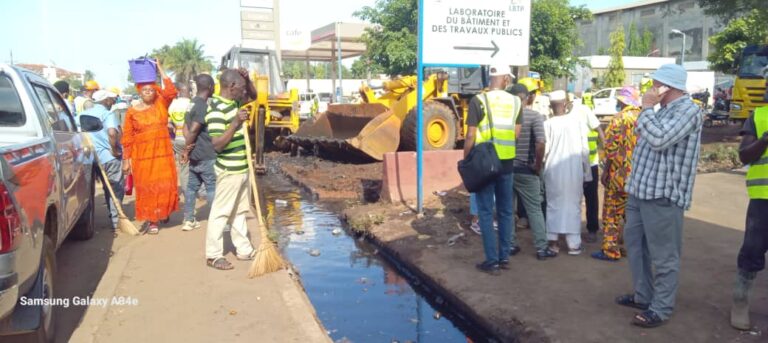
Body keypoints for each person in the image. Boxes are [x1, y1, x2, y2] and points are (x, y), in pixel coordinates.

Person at [616, 64, 703, 328]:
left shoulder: (689, 111)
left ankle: (661, 307)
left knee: (665, 256)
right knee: (636, 248)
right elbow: (644, 136)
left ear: (668, 87)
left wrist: (645, 110)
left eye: (655, 84)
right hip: (640, 192)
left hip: (662, 195)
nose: (651, 88)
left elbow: (660, 140)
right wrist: (649, 112)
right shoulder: (662, 111)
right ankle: (644, 296)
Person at [464, 64, 522, 275]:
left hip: (485, 165)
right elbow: (516, 134)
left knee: (486, 213)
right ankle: (504, 257)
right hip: (507, 164)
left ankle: (492, 261)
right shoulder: (516, 102)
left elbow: (470, 135)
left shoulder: (478, 100)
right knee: (506, 211)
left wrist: (466, 162)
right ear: (506, 78)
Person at [204, 70, 258, 270]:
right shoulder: (217, 110)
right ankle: (213, 254)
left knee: (239, 211)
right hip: (229, 170)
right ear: (231, 87)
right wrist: (235, 123)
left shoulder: (234, 103)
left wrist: (249, 80)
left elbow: (254, 96)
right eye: (241, 88)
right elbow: (217, 145)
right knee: (221, 213)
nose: (244, 92)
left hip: (242, 169)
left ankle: (243, 249)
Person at [121, 61, 179, 235]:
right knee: (147, 187)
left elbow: (171, 91)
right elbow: (127, 137)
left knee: (164, 185)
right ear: (139, 92)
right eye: (145, 90)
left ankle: (163, 211)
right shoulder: (132, 112)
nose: (148, 92)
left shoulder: (161, 104)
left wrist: (160, 68)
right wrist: (126, 160)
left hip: (163, 154)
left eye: (152, 89)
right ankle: (152, 220)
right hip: (142, 158)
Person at [508, 84, 557, 260]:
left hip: (505, 170)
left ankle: (510, 245)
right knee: (534, 210)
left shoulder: (505, 118)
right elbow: (540, 143)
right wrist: (537, 166)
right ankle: (542, 248)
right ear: (527, 97)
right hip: (526, 170)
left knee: (507, 210)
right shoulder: (534, 116)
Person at [591, 86, 641, 262]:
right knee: (633, 215)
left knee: (612, 213)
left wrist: (605, 171)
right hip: (639, 177)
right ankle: (632, 248)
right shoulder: (645, 117)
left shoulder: (619, 119)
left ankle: (611, 250)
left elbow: (611, 148)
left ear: (622, 101)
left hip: (619, 175)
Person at [730, 102, 768, 330]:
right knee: (752, 251)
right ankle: (740, 300)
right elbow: (744, 156)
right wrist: (764, 140)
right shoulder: (759, 115)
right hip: (763, 197)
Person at [543, 90, 591, 255]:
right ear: (565, 104)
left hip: (553, 171)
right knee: (573, 205)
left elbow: (545, 150)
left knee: (553, 205)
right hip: (574, 171)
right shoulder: (577, 122)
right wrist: (587, 173)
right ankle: (573, 245)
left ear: (551, 106)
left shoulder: (547, 124)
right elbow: (585, 150)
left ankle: (553, 243)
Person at [81, 90, 123, 233]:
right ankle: (116, 219)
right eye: (111, 99)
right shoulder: (107, 114)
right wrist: (115, 149)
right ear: (105, 100)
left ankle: (87, 220)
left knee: (87, 190)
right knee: (114, 187)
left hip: (88, 158)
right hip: (108, 156)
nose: (112, 102)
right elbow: (112, 133)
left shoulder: (81, 115)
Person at [180, 74, 217, 231]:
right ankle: (218, 221)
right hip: (205, 154)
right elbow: (194, 130)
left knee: (191, 188)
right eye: (214, 85)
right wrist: (186, 150)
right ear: (209, 87)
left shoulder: (191, 103)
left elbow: (185, 127)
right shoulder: (202, 106)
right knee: (211, 187)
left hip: (195, 154)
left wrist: (188, 149)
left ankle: (188, 220)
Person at [575, 96, 604, 243]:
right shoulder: (557, 114)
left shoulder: (582, 110)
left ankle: (592, 229)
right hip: (572, 164)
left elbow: (599, 129)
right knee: (572, 197)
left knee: (591, 196)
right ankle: (571, 230)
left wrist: (607, 152)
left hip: (590, 163)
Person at [169, 82, 192, 197]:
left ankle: (186, 192)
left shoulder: (172, 105)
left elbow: (169, 125)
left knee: (183, 167)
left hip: (177, 139)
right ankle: (192, 193)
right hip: (191, 139)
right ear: (188, 91)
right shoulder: (191, 104)